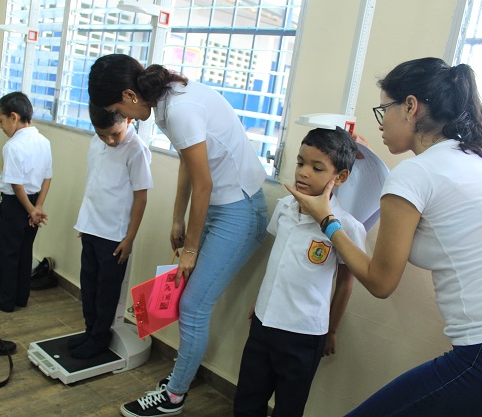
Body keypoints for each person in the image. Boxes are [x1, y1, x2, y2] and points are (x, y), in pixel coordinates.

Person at [285, 57, 482, 416]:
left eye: (385, 109)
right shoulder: (476, 161)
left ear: (411, 107)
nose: (381, 122)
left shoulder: (415, 174)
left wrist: (327, 220)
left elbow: (381, 281)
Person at [88, 54, 269, 417]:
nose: (120, 117)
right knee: (190, 302)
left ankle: (174, 396)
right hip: (223, 205)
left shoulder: (179, 108)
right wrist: (177, 218)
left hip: (241, 209)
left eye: (116, 108)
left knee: (192, 307)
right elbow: (190, 163)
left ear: (129, 93)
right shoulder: (167, 102)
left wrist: (191, 248)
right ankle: (178, 384)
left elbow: (204, 183)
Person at [234, 128, 366, 417]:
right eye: (300, 162)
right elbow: (278, 262)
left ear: (340, 177)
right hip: (264, 323)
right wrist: (262, 301)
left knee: (289, 408)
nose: (303, 173)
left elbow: (345, 285)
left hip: (304, 334)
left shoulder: (347, 227)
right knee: (246, 400)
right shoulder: (284, 208)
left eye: (317, 167)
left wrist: (331, 329)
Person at [69, 103, 153, 358]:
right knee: (89, 285)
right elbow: (93, 183)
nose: (109, 140)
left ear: (127, 120)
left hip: (115, 237)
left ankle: (99, 338)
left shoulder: (136, 149)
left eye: (114, 134)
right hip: (91, 227)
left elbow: (141, 197)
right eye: (102, 134)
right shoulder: (98, 141)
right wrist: (85, 222)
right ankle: (89, 330)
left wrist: (129, 239)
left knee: (106, 291)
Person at [0, 92, 52, 313]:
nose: (1, 127)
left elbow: (16, 185)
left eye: (1, 120)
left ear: (13, 117)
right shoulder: (44, 141)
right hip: (33, 203)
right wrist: (38, 207)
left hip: (16, 205)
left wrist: (30, 210)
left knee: (6, 254)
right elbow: (47, 177)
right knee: (25, 252)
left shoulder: (12, 146)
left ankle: (4, 300)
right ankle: (21, 297)